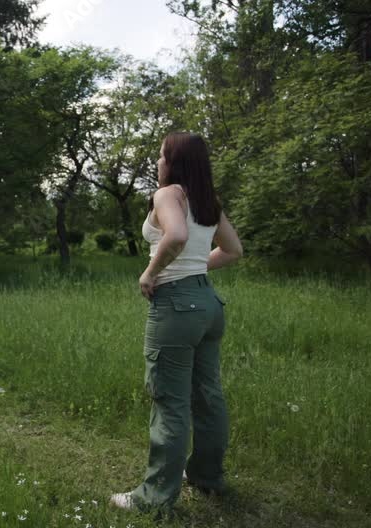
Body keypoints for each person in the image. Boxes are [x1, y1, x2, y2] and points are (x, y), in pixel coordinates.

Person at [110, 132, 243, 514]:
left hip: (176, 306)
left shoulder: (167, 194)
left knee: (170, 402)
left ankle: (154, 498)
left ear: (174, 161)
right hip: (208, 304)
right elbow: (233, 250)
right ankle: (207, 477)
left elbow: (177, 235)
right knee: (208, 395)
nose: (157, 162)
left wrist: (150, 273)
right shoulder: (206, 200)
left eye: (160, 155)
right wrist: (195, 267)